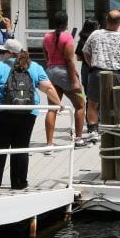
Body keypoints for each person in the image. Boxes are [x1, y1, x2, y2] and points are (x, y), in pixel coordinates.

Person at [0, 38, 59, 190]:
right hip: (28, 112)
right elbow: (48, 88)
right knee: (21, 146)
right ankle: (19, 183)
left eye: (3, 51)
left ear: (9, 53)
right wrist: (59, 104)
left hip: (1, 110)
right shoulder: (34, 67)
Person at [81, 9, 120, 135]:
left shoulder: (95, 34)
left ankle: (93, 129)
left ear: (106, 20)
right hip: (116, 73)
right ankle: (115, 128)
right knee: (117, 103)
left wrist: (91, 63)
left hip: (97, 72)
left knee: (93, 103)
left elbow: (85, 52)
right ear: (119, 22)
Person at [42, 11, 86, 148]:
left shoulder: (46, 37)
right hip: (65, 73)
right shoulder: (67, 38)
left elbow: (46, 56)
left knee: (52, 108)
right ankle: (78, 139)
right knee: (80, 104)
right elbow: (69, 60)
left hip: (50, 72)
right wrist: (74, 80)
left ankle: (49, 144)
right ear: (66, 23)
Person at [75, 18, 99, 101]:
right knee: (97, 93)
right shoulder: (97, 40)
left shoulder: (82, 40)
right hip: (97, 68)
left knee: (87, 94)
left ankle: (87, 111)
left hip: (85, 68)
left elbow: (78, 58)